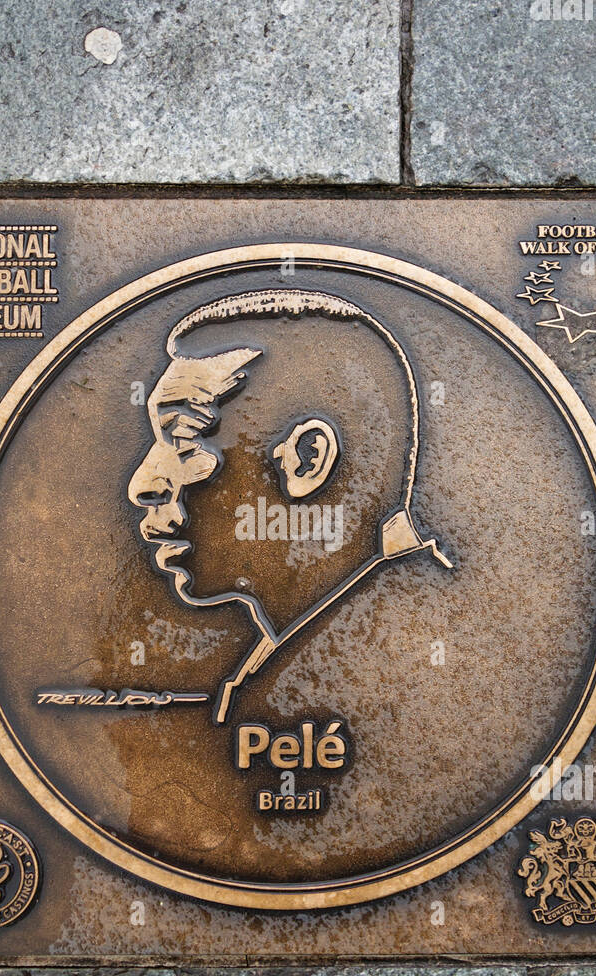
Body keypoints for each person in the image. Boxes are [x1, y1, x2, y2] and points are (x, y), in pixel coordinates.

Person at [127, 288, 451, 724]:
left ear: (307, 459)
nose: (142, 485)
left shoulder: (434, 677)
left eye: (184, 439)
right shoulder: (289, 661)